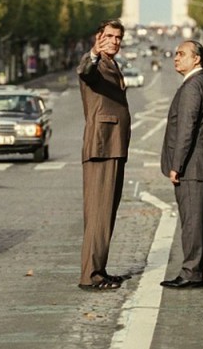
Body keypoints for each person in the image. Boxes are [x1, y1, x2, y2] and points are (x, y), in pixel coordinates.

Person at [76, 18, 131, 290]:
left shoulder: (112, 64)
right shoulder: (95, 63)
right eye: (109, 36)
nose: (114, 41)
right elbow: (85, 71)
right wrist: (94, 54)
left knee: (105, 212)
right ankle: (91, 275)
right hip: (102, 145)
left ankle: (99, 268)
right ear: (98, 38)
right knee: (98, 213)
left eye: (118, 37)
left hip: (113, 145)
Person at [160, 40, 203, 289]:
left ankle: (191, 272)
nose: (176, 58)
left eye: (182, 54)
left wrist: (177, 165)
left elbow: (186, 130)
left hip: (191, 166)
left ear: (197, 59)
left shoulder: (192, 87)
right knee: (202, 221)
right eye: (176, 54)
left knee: (192, 222)